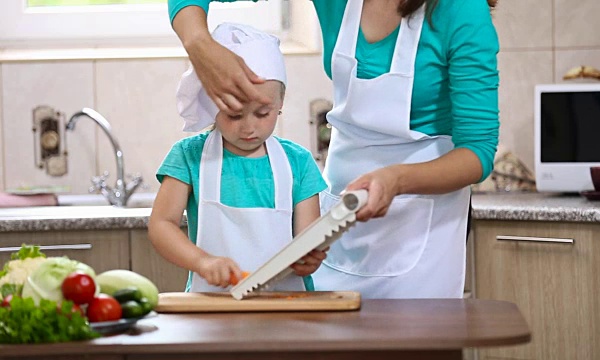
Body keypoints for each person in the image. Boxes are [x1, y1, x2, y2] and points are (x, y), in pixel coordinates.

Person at [168, 0, 500, 299]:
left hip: (420, 227)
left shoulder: (460, 9)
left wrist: (397, 179)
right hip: (340, 214)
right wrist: (199, 44)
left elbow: (478, 152)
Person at [148, 22, 328, 292]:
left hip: (288, 312)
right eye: (234, 114)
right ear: (212, 103)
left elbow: (308, 240)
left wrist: (309, 258)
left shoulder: (298, 163)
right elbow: (162, 225)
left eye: (263, 113)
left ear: (279, 104)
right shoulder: (189, 157)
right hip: (211, 312)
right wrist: (203, 262)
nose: (249, 127)